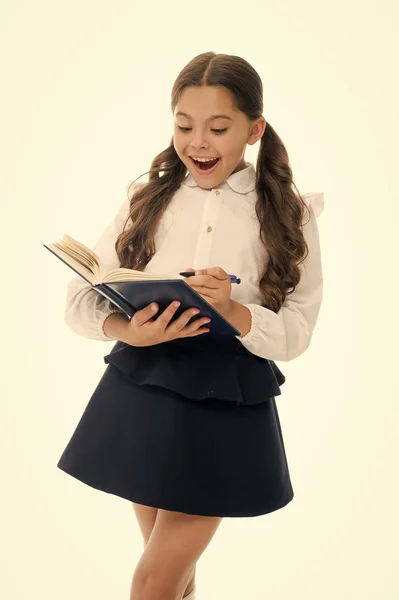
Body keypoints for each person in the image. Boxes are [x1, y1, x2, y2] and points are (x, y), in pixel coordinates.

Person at [56, 51, 324, 600]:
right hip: (143, 382)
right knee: (175, 580)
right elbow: (81, 298)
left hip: (226, 397)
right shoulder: (147, 200)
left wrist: (233, 310)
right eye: (184, 126)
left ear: (254, 129)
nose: (197, 142)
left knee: (154, 581)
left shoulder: (289, 214)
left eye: (218, 128)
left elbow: (298, 328)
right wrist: (125, 330)